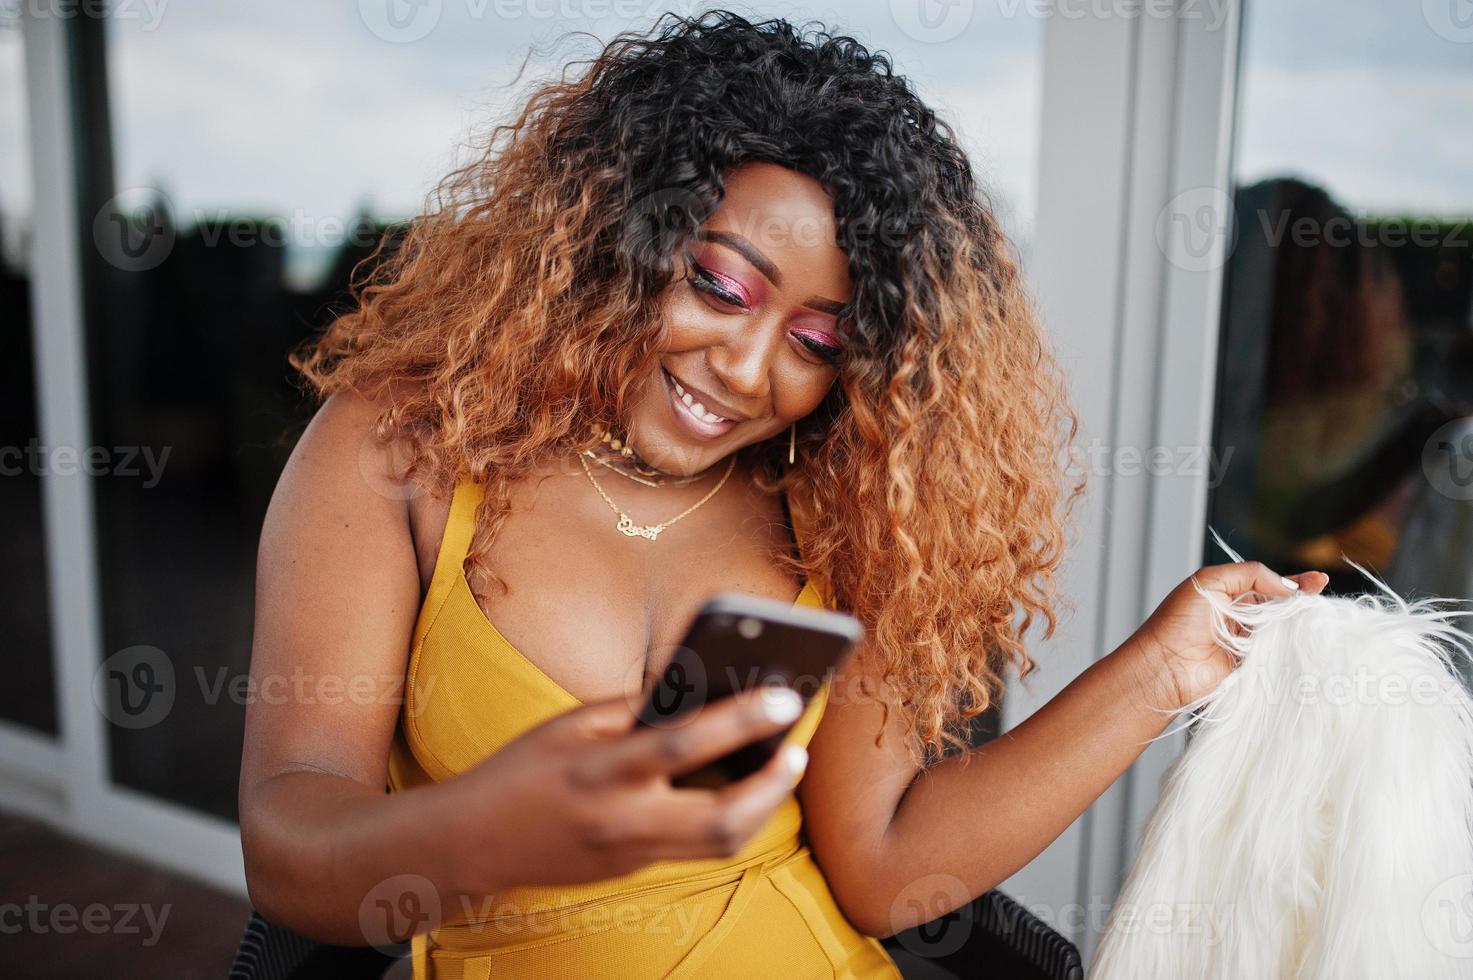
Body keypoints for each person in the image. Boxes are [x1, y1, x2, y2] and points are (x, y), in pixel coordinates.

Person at [237, 11, 1327, 978]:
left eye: (815, 341)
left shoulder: (846, 508)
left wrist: (1161, 670)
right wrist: (497, 828)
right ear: (613, 237)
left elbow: (886, 870)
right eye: (718, 284)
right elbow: (289, 846)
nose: (750, 369)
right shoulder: (407, 448)